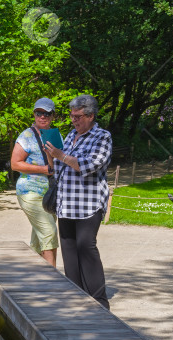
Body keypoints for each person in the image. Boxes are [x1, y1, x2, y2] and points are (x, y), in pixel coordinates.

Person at [43, 94, 112, 309]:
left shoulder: (102, 136)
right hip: (66, 204)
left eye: (78, 117)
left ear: (91, 116)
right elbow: (59, 168)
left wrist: (61, 155)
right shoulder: (71, 135)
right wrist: (51, 154)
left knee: (86, 246)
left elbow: (90, 165)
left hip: (89, 205)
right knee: (69, 250)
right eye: (72, 117)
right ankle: (77, 297)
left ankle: (99, 301)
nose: (73, 120)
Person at [11, 98, 59, 266]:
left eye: (47, 113)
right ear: (34, 114)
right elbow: (15, 164)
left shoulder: (56, 135)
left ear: (53, 116)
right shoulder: (26, 136)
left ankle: (34, 273)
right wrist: (43, 169)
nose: (42, 117)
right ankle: (53, 281)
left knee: (40, 238)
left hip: (51, 193)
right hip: (30, 191)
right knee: (49, 232)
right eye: (39, 113)